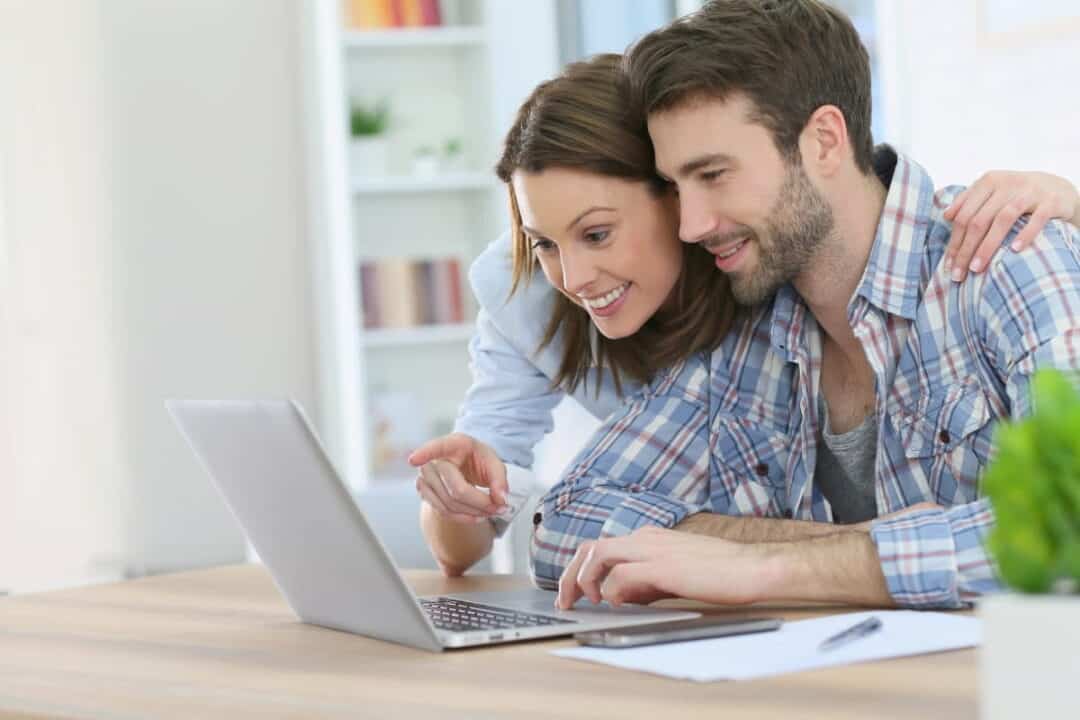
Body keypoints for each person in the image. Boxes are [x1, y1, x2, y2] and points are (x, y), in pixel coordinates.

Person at [409, 51, 1080, 579]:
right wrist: (459, 490)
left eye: (597, 234)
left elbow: (864, 203)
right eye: (546, 243)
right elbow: (556, 526)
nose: (574, 277)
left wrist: (1061, 204)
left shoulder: (781, 270)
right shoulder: (531, 289)